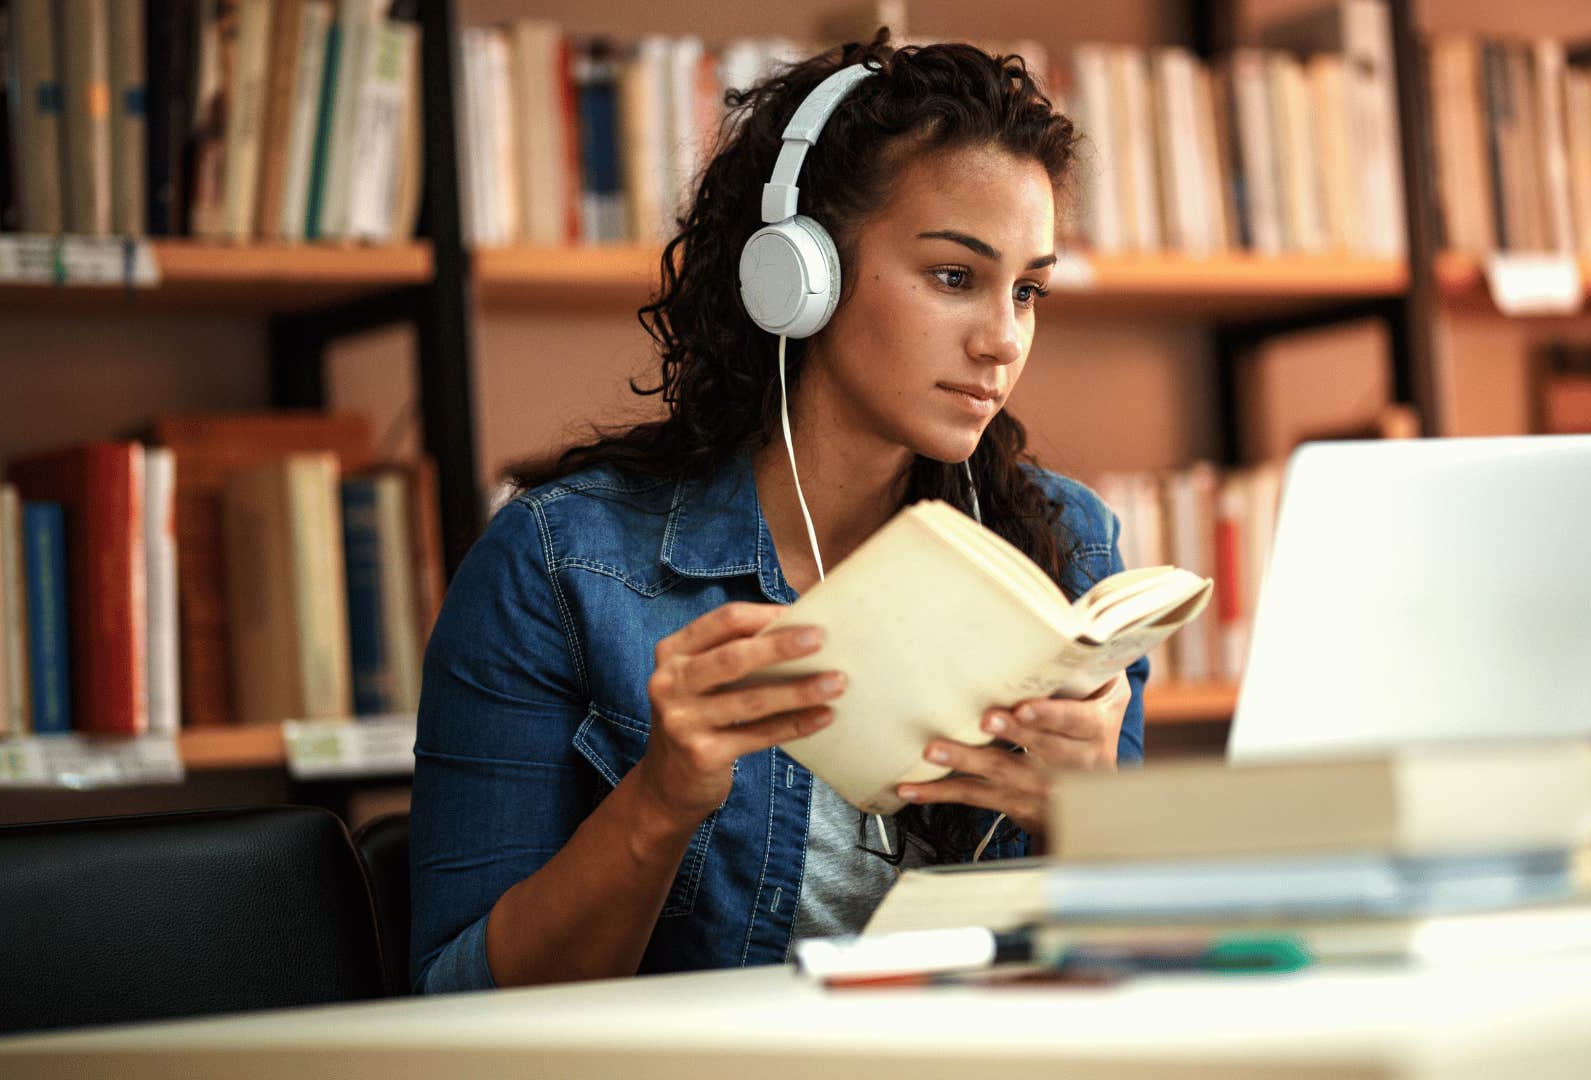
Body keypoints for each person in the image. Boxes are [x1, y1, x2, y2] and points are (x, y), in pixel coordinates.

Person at [410, 31, 1149, 994]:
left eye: (1028, 289)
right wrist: (663, 799)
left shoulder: (1068, 548)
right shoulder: (558, 566)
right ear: (801, 276)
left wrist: (1092, 819)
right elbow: (458, 1000)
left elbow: (1128, 974)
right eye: (954, 278)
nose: (1003, 340)